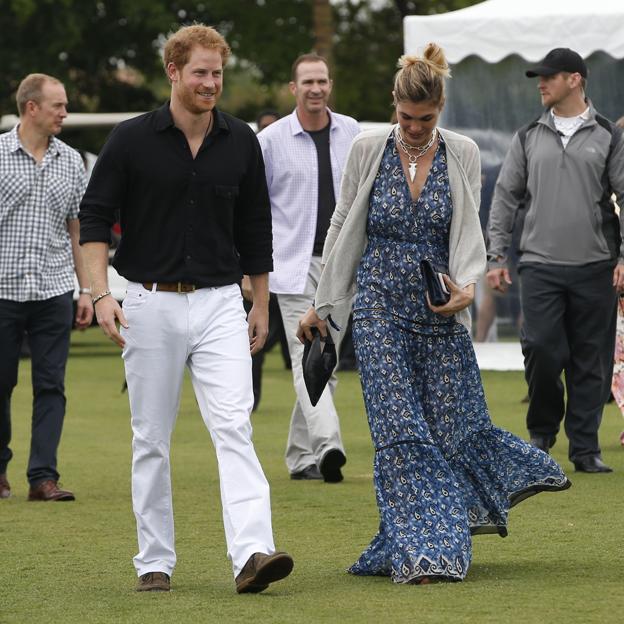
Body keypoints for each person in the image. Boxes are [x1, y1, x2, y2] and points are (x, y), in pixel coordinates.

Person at [298, 44, 571, 584]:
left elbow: (466, 234)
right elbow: (341, 226)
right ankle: (428, 552)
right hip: (376, 303)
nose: (415, 128)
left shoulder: (463, 152)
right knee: (400, 430)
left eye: (425, 118)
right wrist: (322, 305)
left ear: (441, 107)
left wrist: (467, 289)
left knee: (456, 427)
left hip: (438, 306)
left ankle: (403, 537)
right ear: (393, 105)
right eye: (406, 117)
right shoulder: (366, 147)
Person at [79, 24, 293, 593]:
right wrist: (101, 294)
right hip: (148, 302)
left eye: (217, 73)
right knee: (151, 436)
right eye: (199, 72)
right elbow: (94, 221)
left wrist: (261, 302)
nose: (210, 82)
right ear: (173, 72)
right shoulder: (129, 140)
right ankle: (155, 559)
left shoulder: (242, 139)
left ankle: (252, 553)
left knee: (234, 428)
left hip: (224, 302)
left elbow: (255, 226)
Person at [487, 48, 624, 473]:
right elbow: (505, 197)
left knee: (591, 360)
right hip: (541, 265)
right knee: (543, 350)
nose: (541, 84)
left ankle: (585, 449)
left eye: (549, 77)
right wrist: (496, 255)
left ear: (575, 80)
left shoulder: (609, 134)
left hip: (596, 266)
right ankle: (541, 434)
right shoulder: (528, 135)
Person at [258, 53, 360, 482]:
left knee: (327, 361)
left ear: (329, 86)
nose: (315, 88)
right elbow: (254, 209)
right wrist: (252, 272)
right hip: (292, 267)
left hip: (343, 266)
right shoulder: (270, 140)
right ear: (292, 89)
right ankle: (328, 444)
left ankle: (301, 458)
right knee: (308, 352)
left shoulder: (353, 133)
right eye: (307, 82)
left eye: (321, 81)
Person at [0, 73, 93, 502]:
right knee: (1, 383)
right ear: (31, 107)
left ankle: (43, 478)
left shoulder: (72, 161)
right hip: (2, 289)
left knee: (51, 385)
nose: (64, 112)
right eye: (57, 105)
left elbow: (78, 232)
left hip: (54, 290)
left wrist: (87, 290)